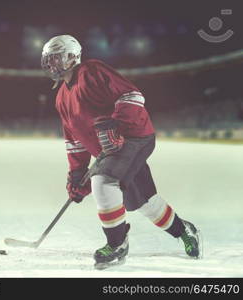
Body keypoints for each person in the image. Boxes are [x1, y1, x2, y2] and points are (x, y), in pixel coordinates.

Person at [41, 35, 202, 269]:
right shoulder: (61, 98)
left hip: (133, 136)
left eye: (56, 58)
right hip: (113, 149)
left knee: (104, 181)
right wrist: (77, 174)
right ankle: (185, 230)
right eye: (49, 59)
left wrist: (117, 123)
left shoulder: (91, 71)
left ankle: (117, 245)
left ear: (72, 57)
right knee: (145, 202)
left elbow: (132, 94)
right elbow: (74, 140)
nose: (51, 64)